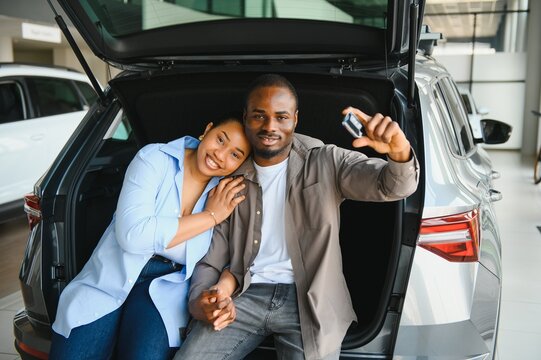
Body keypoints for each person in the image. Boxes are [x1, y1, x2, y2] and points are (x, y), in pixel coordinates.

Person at [173, 74, 420, 360]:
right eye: (259, 116)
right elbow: (211, 257)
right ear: (246, 117)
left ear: (296, 119)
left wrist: (399, 151)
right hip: (244, 295)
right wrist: (203, 300)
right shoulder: (232, 175)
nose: (270, 127)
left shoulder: (325, 160)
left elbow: (392, 187)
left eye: (281, 117)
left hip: (308, 301)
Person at [49, 116, 251, 360]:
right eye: (220, 139)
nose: (221, 155)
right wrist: (210, 216)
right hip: (112, 273)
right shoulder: (154, 158)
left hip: (167, 287)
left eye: (235, 155)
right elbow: (133, 236)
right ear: (207, 130)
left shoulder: (226, 193)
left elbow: (234, 254)